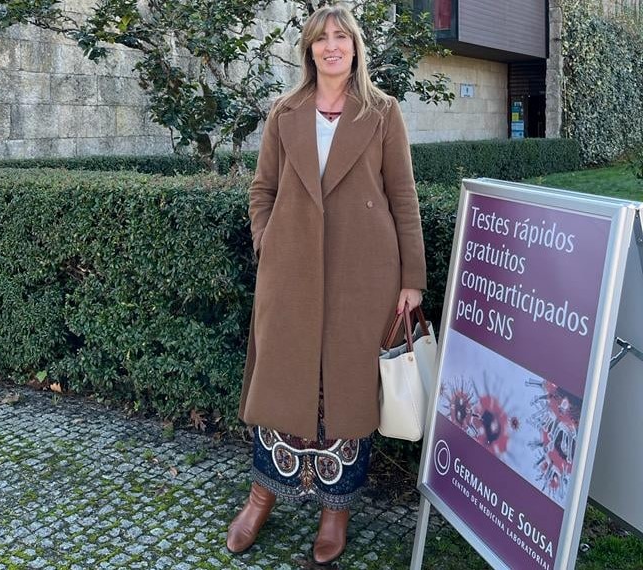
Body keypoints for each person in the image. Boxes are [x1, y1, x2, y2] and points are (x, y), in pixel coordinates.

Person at [226, 3, 426, 565]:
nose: (331, 45)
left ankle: (335, 510)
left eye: (341, 36)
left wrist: (413, 278)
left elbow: (404, 198)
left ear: (356, 47)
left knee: (347, 385)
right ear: (309, 50)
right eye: (321, 38)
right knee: (281, 380)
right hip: (289, 274)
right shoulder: (284, 111)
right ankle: (261, 496)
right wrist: (268, 238)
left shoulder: (383, 112)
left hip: (363, 275)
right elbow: (261, 190)